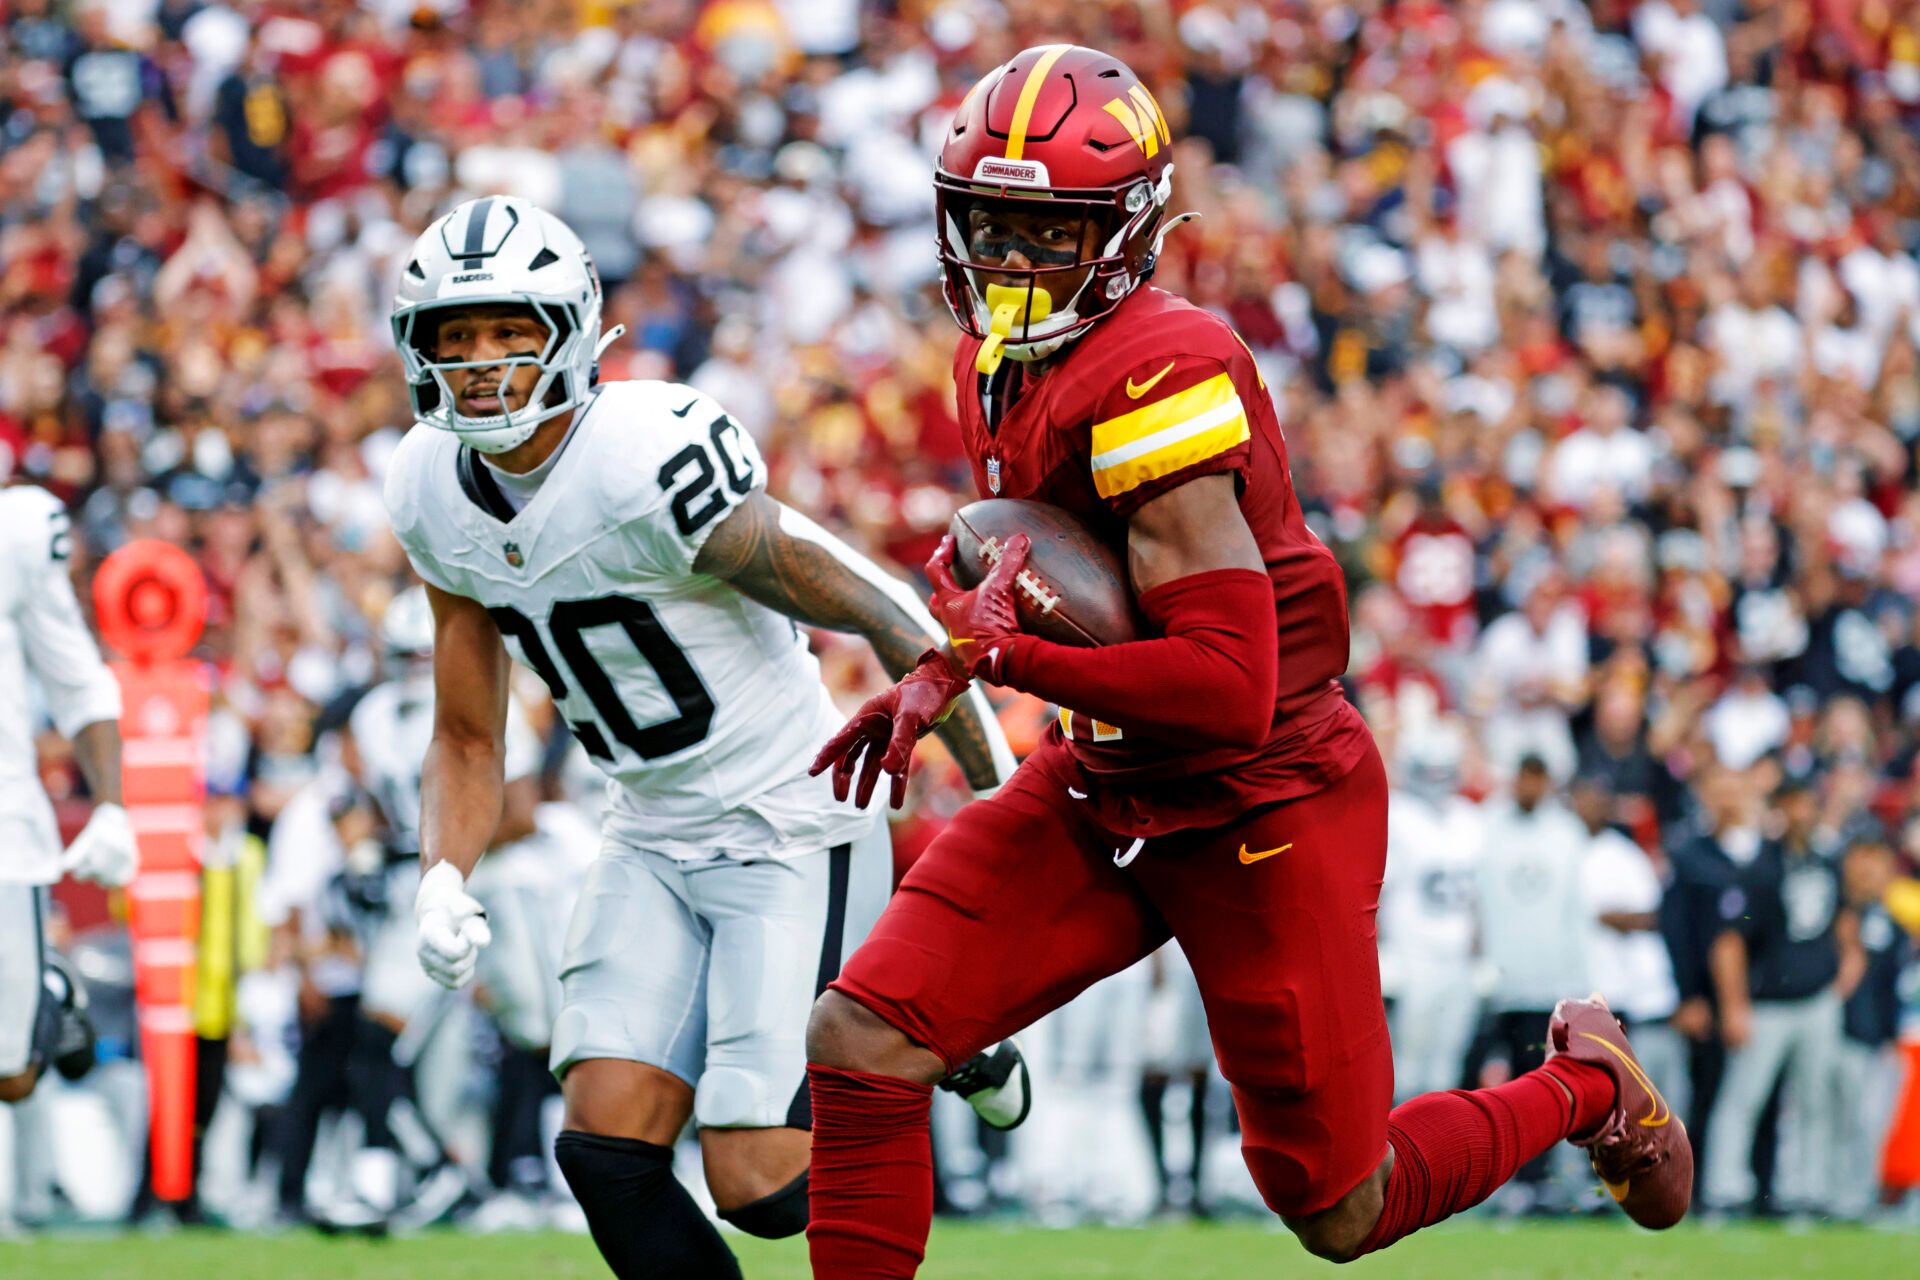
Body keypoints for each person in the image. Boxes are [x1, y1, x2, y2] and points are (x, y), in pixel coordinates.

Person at [802, 45, 1693, 1277]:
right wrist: (947, 662)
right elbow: (1048, 584)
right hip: (1103, 779)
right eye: (990, 225)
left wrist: (1004, 656)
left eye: (1048, 231)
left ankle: (1588, 1085)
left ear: (1126, 231)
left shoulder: (1159, 369)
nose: (1011, 262)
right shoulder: (992, 358)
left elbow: (1225, 688)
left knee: (1341, 1207)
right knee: (863, 1035)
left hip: (1260, 796)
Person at [380, 196, 1024, 1279]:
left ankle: (923, 1032)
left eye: (508, 331)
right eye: (456, 337)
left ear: (570, 333)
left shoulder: (644, 457)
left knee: (762, 1185)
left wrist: (1003, 801)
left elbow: (878, 606)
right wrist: (442, 871)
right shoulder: (427, 488)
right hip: (647, 830)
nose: (481, 362)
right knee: (603, 1148)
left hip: (789, 815)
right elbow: (466, 732)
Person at [0, 483, 134, 1107]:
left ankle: (49, 988)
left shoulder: (16, 535)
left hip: (5, 823)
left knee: (13, 1074)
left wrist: (111, 805)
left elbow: (78, 681)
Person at [1702, 776, 1860, 1216]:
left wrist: (1839, 982)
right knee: (1743, 1098)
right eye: (1792, 804)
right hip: (1768, 1002)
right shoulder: (1760, 868)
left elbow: (1846, 926)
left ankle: (1807, 1191)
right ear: (1778, 810)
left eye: (1806, 804)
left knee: (1815, 1102)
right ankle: (1725, 1190)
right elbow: (1729, 941)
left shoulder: (1825, 863)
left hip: (1817, 1000)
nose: (1801, 814)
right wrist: (1734, 1005)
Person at [1474, 754, 1592, 1209]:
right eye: (1524, 777)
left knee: (1537, 1086)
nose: (1529, 786)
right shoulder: (1489, 826)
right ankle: (1480, 1176)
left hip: (1547, 981)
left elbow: (1576, 910)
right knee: (1480, 1082)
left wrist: (1576, 980)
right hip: (1496, 980)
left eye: (1537, 778)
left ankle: (1535, 1179)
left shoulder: (1566, 832)